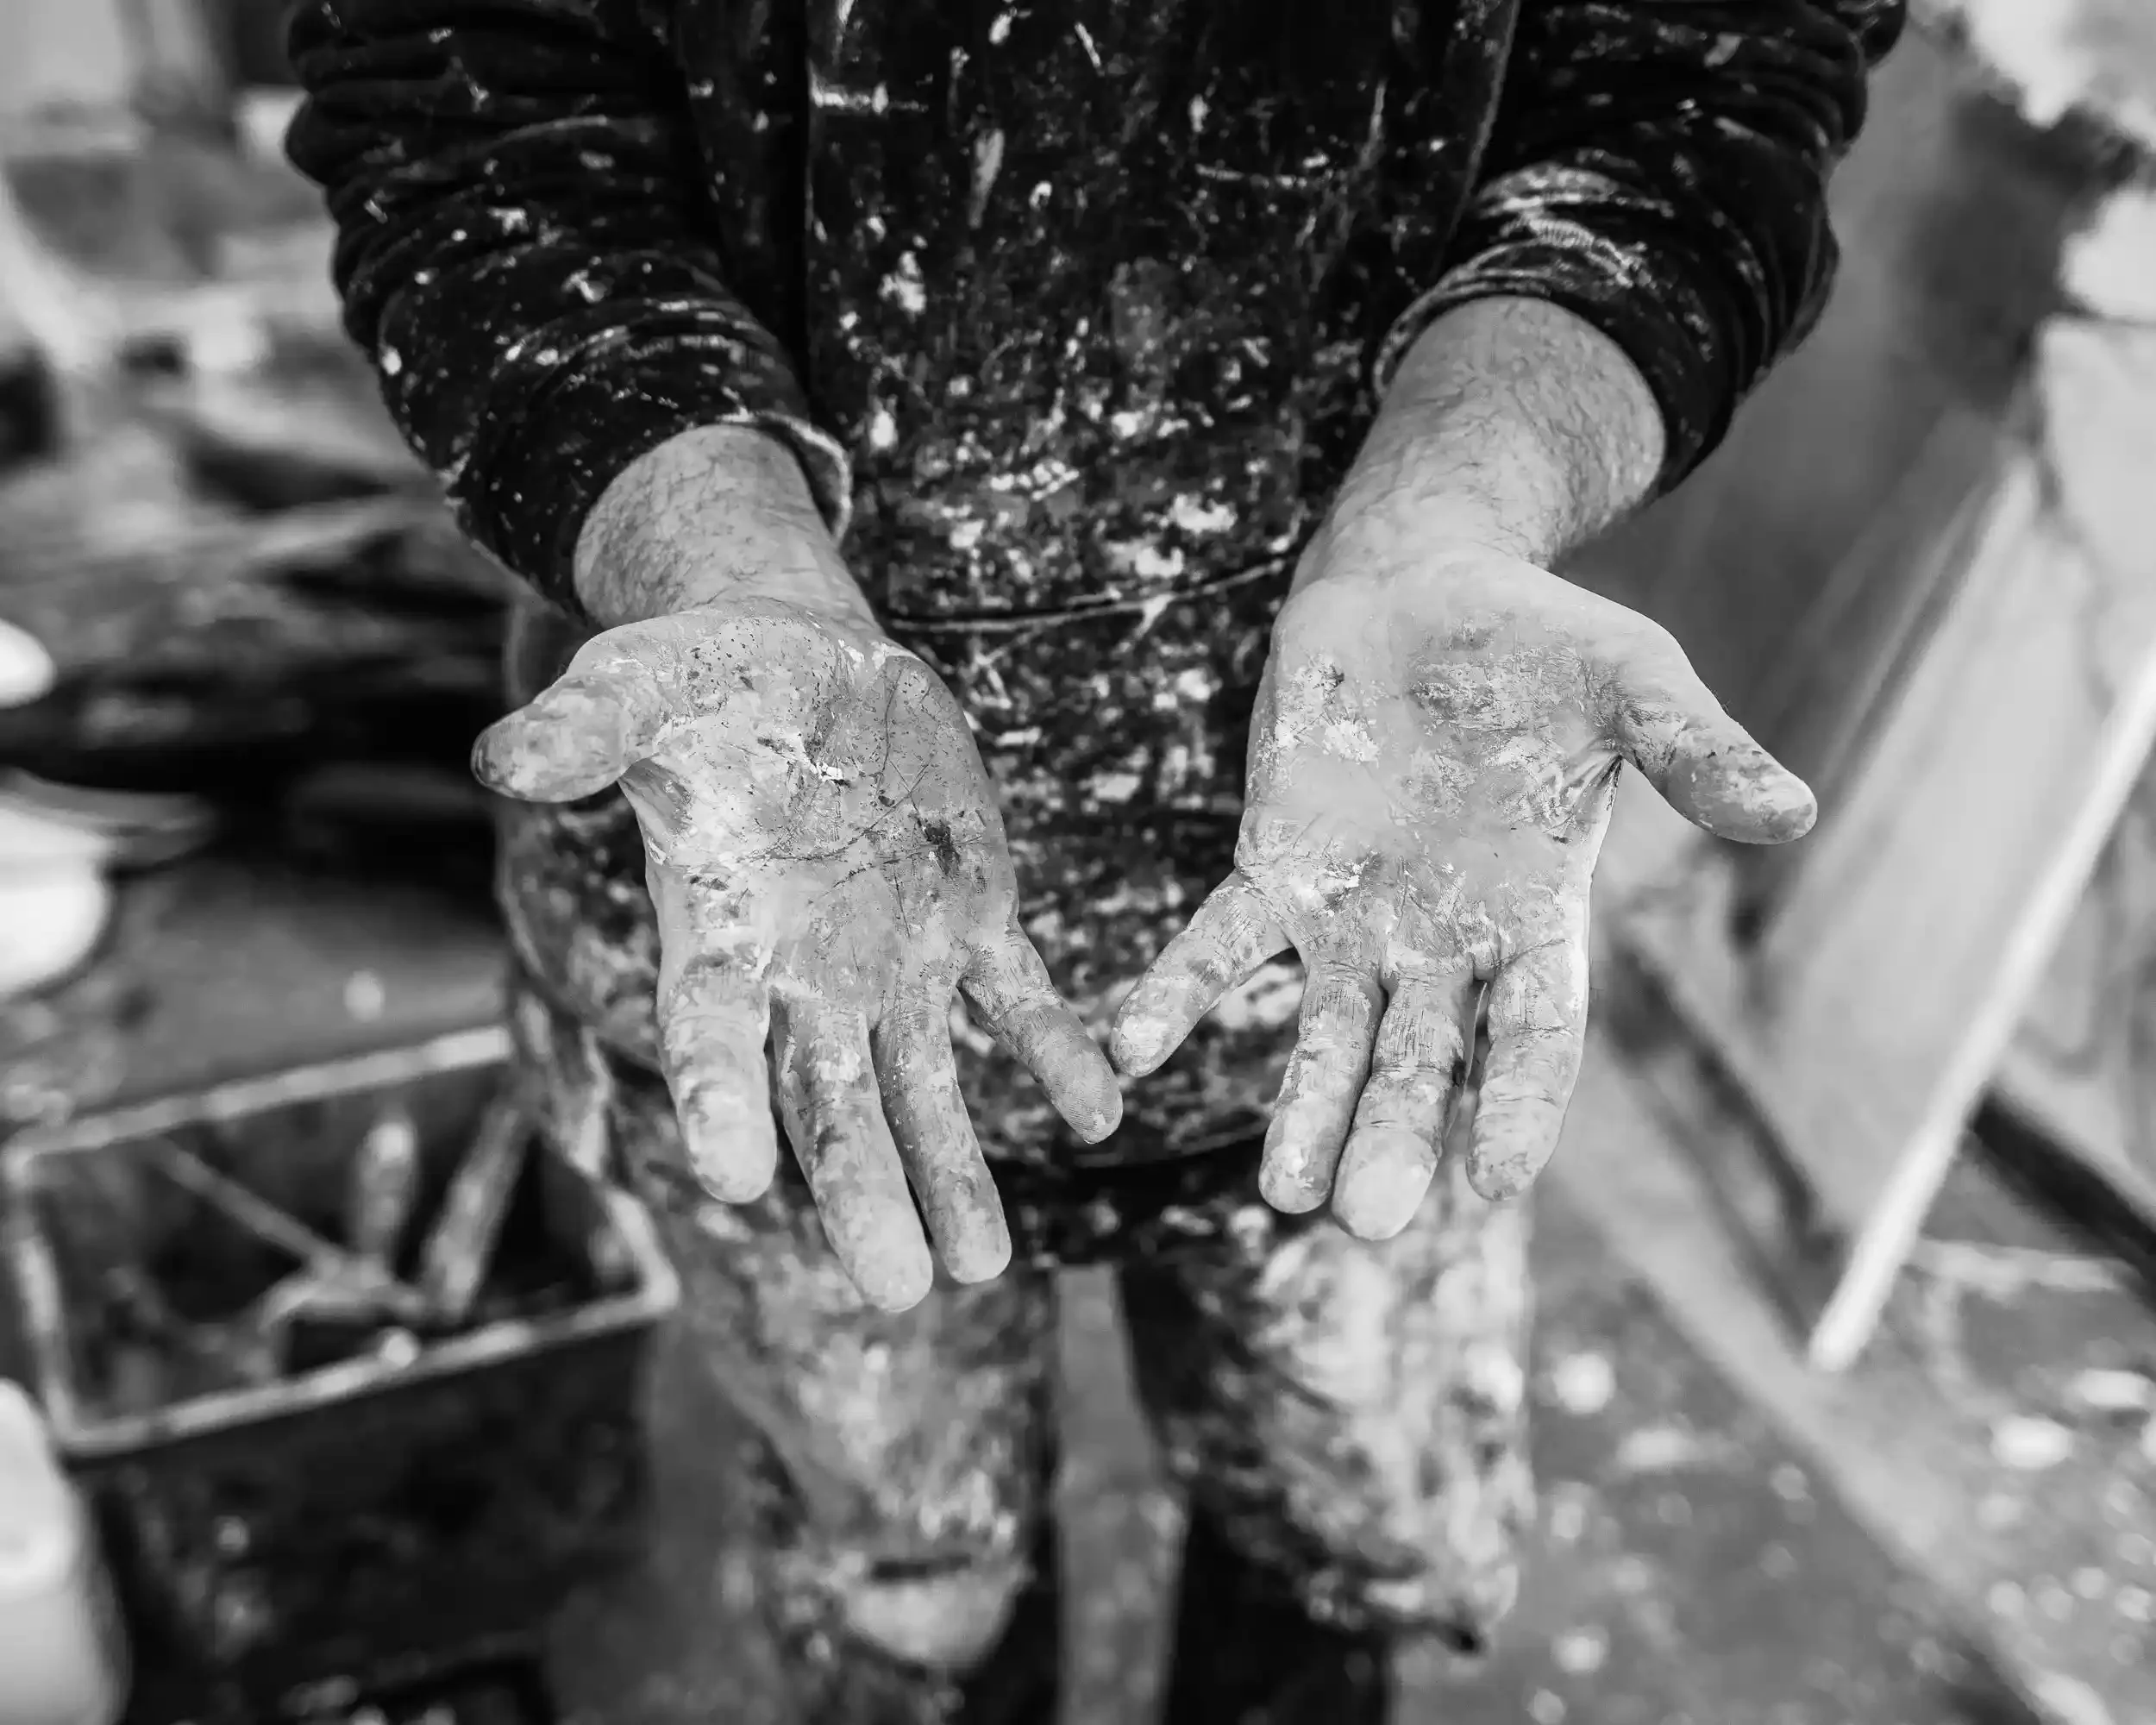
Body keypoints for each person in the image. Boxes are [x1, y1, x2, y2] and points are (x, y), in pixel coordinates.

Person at [285, 3, 1904, 1717]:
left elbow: (1688, 94)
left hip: (1372, 869)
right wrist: (721, 571)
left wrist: (1462, 495)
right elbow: (481, 141)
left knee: (1352, 1524)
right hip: (779, 883)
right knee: (906, 1573)